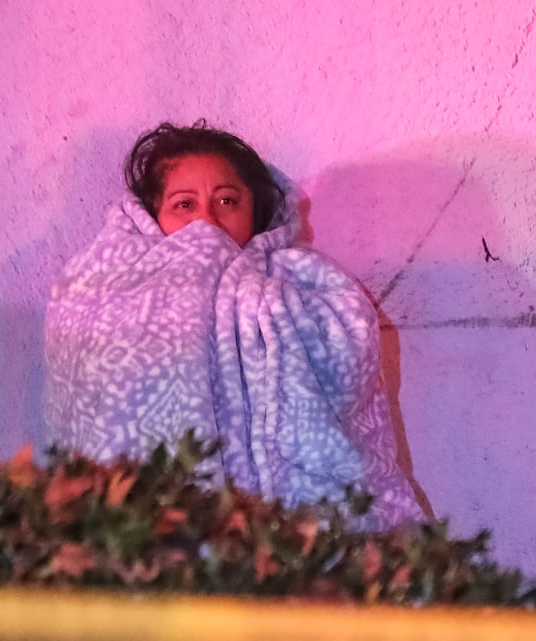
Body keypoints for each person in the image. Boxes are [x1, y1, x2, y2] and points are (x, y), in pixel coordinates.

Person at [43, 121, 421, 529]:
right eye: (184, 205)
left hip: (291, 531)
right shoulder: (101, 287)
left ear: (255, 213)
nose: (206, 220)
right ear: (151, 215)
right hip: (151, 532)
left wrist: (260, 309)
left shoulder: (308, 286)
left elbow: (350, 369)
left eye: (226, 201)